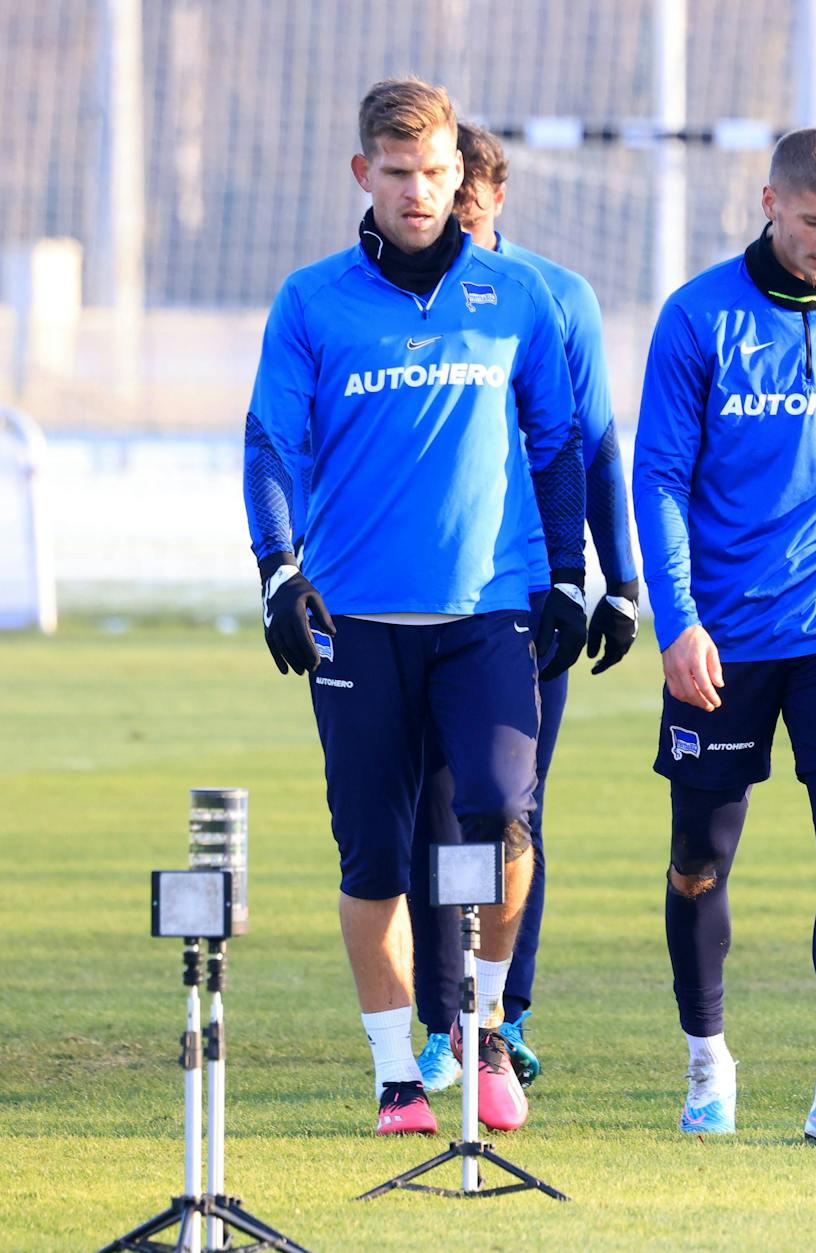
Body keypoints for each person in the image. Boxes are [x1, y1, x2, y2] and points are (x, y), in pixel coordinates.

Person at [241, 77, 584, 1136]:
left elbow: (559, 444)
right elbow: (271, 444)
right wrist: (278, 570)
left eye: (436, 171)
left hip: (487, 615)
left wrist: (571, 575)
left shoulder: (516, 296)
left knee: (503, 815)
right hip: (357, 621)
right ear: (364, 173)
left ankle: (484, 1028)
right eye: (398, 173)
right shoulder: (311, 300)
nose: (419, 191)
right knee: (375, 857)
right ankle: (397, 1074)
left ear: (458, 171)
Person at [632, 128, 816, 1145]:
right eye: (811, 221)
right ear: (768, 203)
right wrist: (678, 622)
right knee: (699, 858)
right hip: (724, 639)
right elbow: (658, 479)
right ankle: (707, 1058)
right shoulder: (697, 316)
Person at [405, 120, 641, 1095]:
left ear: (494, 198)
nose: (448, 218)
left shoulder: (552, 296)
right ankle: (440, 1020)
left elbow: (593, 444)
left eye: (465, 203)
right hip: (420, 598)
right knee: (432, 811)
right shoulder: (397, 296)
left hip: (535, 594)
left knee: (511, 806)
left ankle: (504, 1013)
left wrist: (617, 579)